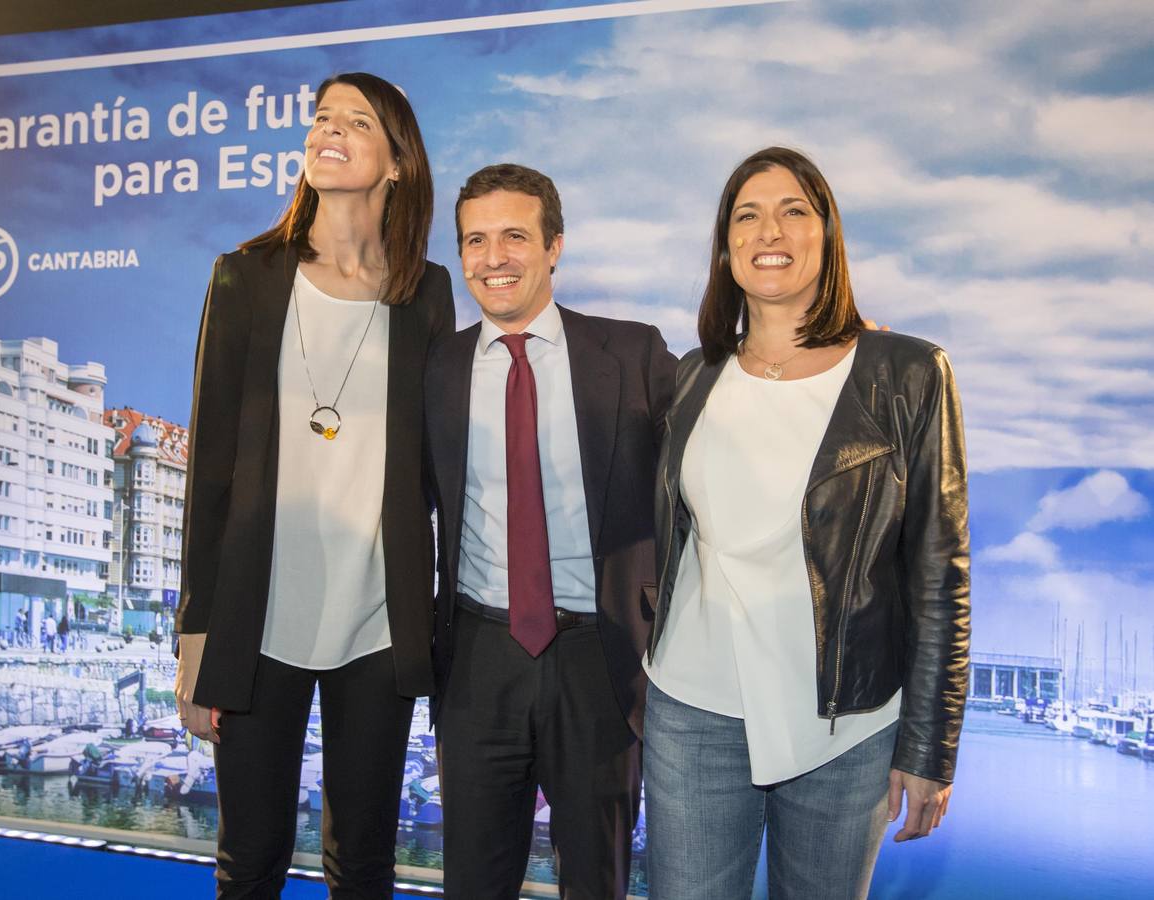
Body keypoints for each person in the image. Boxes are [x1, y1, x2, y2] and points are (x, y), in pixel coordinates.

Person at [643, 146, 970, 899]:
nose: (770, 230)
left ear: (828, 235)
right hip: (694, 711)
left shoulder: (908, 374)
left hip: (844, 730)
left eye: (794, 210)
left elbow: (940, 575)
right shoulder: (696, 375)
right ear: (725, 250)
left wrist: (931, 747)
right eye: (747, 215)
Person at [173, 72, 454, 898]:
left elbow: (437, 467)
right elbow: (211, 465)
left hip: (377, 619)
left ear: (398, 160)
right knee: (250, 860)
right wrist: (196, 633)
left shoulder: (426, 291)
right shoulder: (245, 275)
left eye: (355, 121)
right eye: (321, 118)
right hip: (259, 617)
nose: (328, 131)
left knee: (362, 864)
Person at [425, 163, 676, 899]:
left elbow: (722, 423)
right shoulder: (434, 369)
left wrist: (825, 359)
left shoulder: (632, 356)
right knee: (473, 882)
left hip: (597, 659)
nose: (493, 258)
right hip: (475, 659)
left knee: (597, 883)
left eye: (513, 236)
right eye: (475, 240)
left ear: (555, 244)